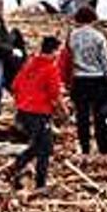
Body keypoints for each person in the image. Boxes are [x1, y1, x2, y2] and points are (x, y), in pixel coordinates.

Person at [11, 36, 64, 190]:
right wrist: (64, 112)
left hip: (23, 111)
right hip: (39, 113)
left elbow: (15, 85)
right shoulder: (50, 68)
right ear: (54, 51)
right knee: (45, 148)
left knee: (38, 144)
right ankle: (41, 184)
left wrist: (22, 100)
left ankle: (20, 164)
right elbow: (55, 94)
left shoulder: (29, 64)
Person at [68, 5, 107, 155]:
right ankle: (103, 148)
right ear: (92, 19)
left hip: (79, 79)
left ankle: (85, 147)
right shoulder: (98, 36)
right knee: (100, 116)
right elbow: (105, 60)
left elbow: (68, 57)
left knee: (82, 117)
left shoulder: (72, 35)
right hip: (97, 79)